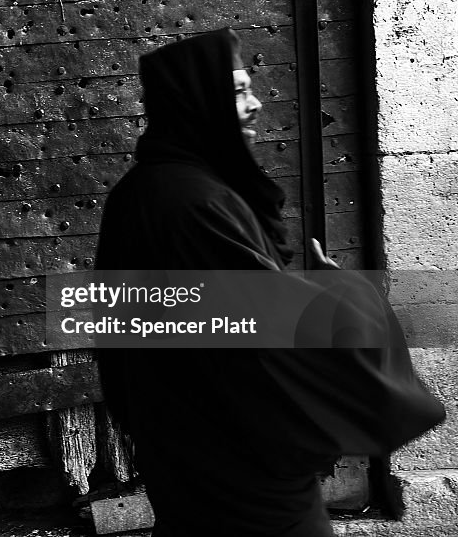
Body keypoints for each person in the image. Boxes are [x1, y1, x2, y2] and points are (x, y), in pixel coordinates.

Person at [94, 28, 444, 536]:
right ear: (196, 100)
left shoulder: (143, 192)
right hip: (239, 464)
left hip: (185, 449)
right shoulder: (193, 204)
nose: (255, 104)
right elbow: (257, 332)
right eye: (237, 91)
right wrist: (342, 293)